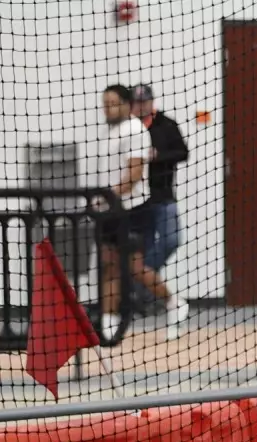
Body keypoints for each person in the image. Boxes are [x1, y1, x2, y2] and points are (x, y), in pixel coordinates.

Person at [93, 84, 185, 340]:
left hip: (132, 210)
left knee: (135, 267)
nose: (108, 109)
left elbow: (133, 175)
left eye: (113, 103)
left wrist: (109, 196)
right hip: (110, 210)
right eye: (105, 104)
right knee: (109, 265)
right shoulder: (107, 132)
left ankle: (174, 302)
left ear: (126, 104)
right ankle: (108, 323)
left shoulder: (135, 131)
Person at [131, 83, 190, 339]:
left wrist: (158, 156)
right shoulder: (129, 129)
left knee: (171, 240)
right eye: (137, 101)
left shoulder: (166, 125)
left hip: (163, 197)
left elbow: (182, 152)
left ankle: (142, 285)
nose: (141, 105)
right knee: (137, 251)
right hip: (137, 202)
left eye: (145, 101)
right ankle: (143, 289)